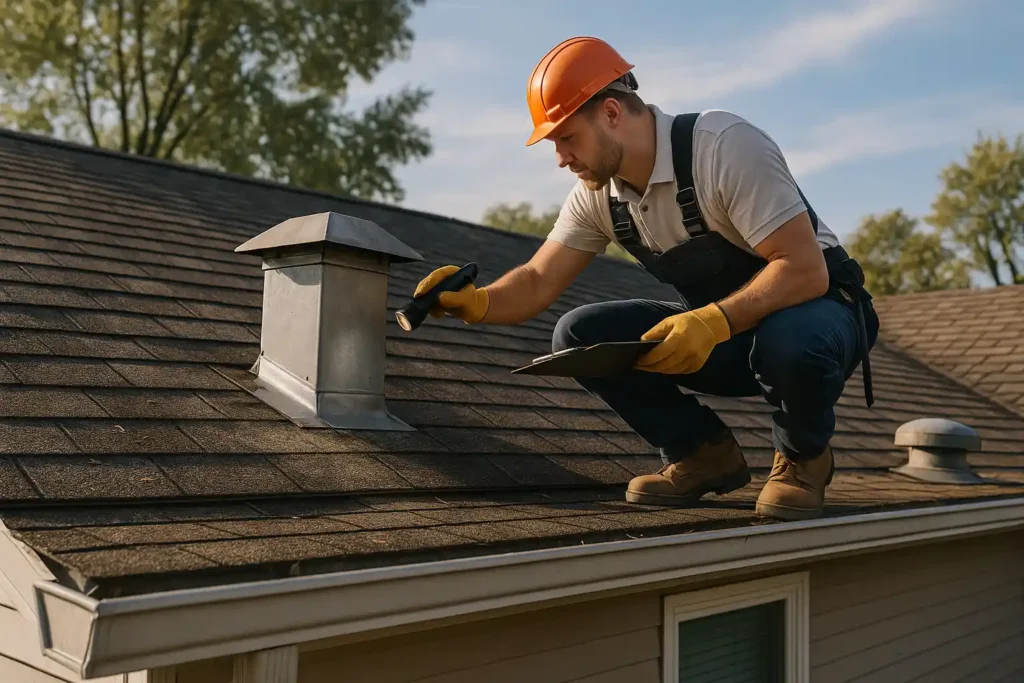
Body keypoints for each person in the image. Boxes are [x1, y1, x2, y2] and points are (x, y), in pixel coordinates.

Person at [412, 36, 879, 521]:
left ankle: (804, 458)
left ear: (611, 112)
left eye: (567, 137)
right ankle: (702, 454)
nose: (560, 158)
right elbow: (536, 279)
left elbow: (804, 270)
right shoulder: (598, 194)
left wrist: (711, 322)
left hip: (823, 317)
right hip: (729, 337)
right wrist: (477, 303)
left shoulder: (723, 145)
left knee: (790, 338)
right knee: (579, 335)